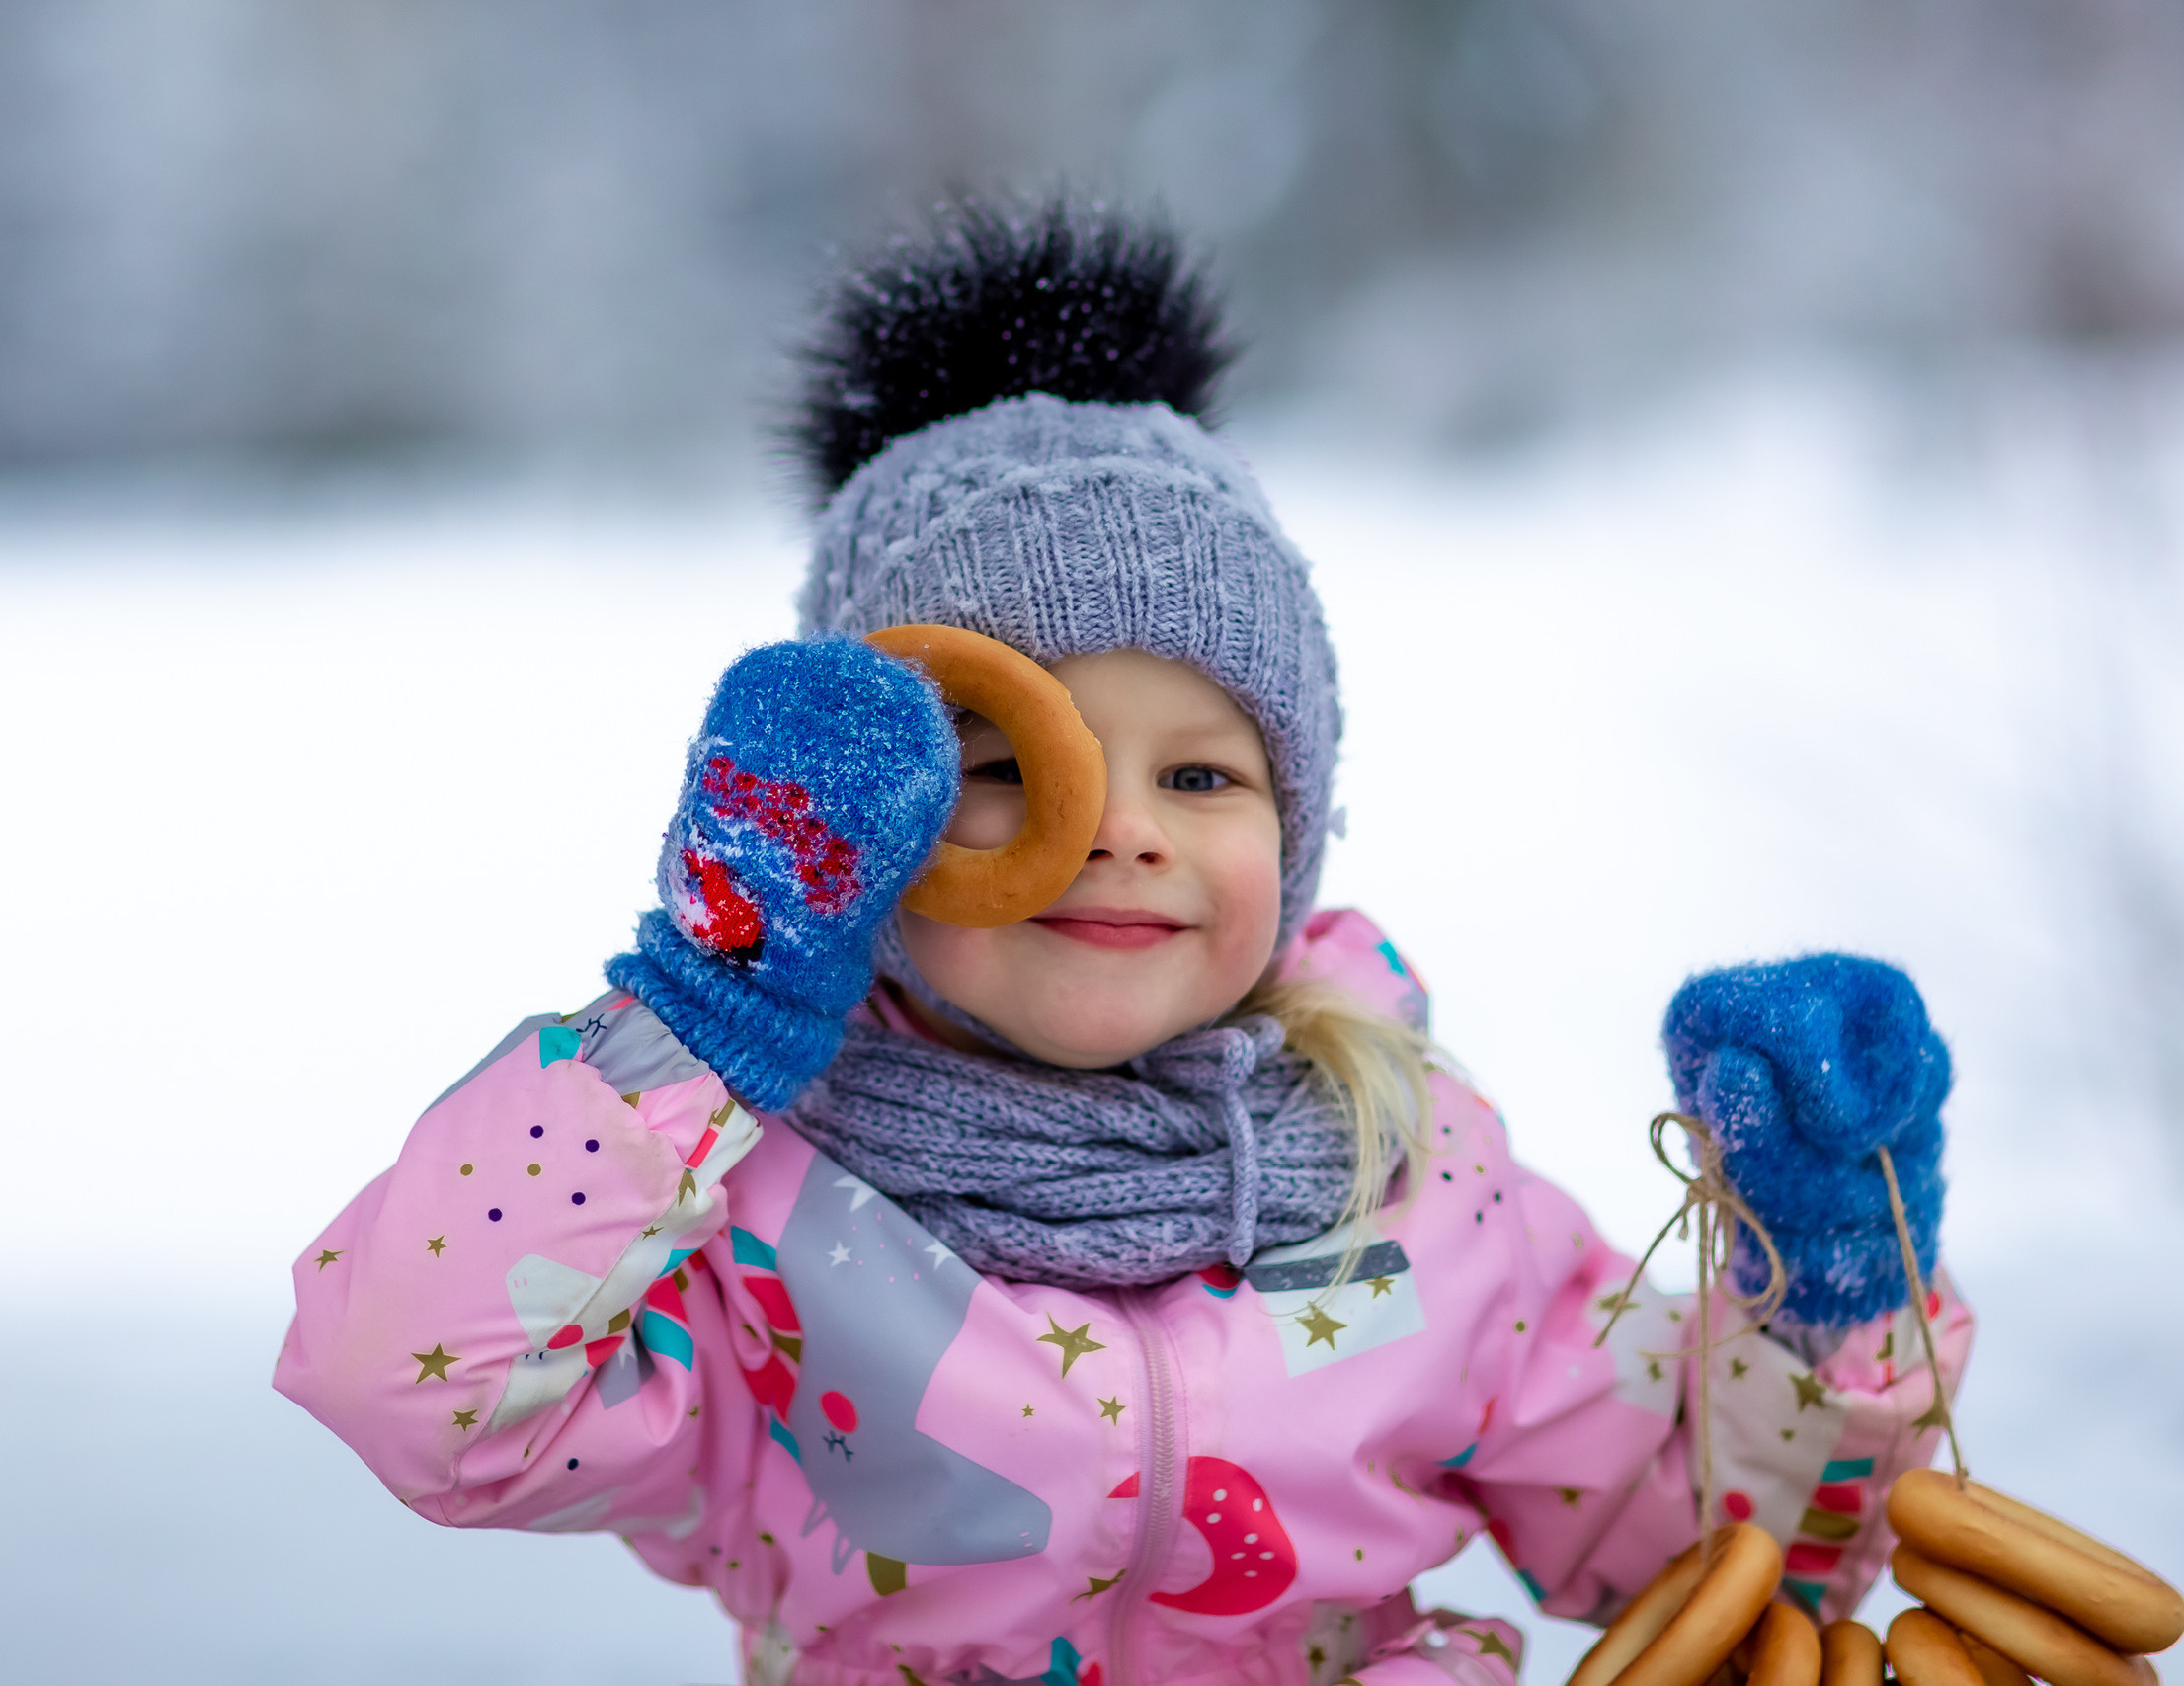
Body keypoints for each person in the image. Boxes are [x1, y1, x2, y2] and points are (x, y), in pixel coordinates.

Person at [276, 200, 1968, 1686]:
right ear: (865, 830)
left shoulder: (1416, 1181)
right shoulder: (762, 1213)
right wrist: (704, 1017)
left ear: (1296, 838)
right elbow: (418, 1391)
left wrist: (1826, 1279)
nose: (1120, 829)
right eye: (1014, 769)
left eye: (1205, 773)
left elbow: (1709, 1558)